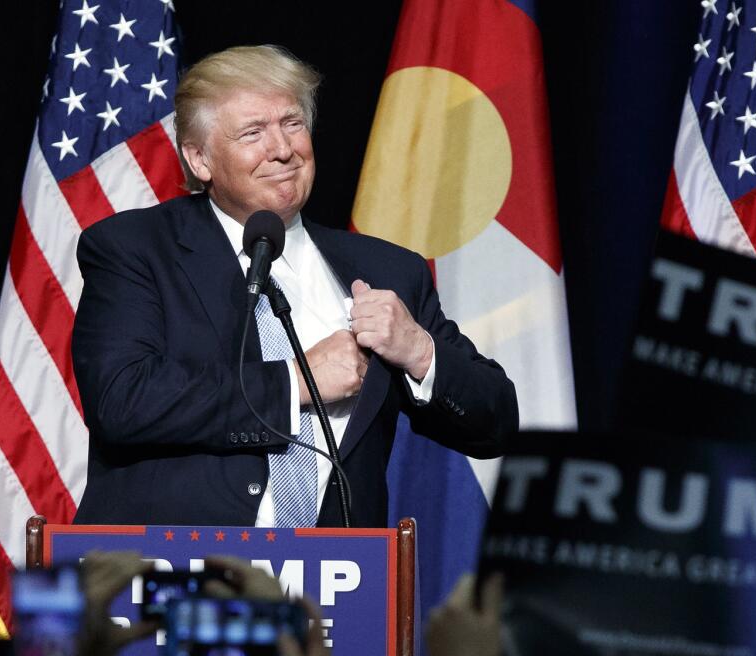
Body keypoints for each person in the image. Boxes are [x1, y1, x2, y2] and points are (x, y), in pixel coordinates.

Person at [71, 44, 517, 528]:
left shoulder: (387, 270)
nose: (282, 149)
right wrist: (296, 383)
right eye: (253, 133)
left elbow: (495, 423)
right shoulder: (135, 249)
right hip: (177, 579)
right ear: (200, 160)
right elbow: (122, 401)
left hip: (336, 586)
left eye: (292, 124)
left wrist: (419, 351)